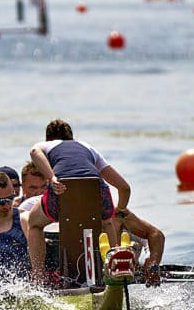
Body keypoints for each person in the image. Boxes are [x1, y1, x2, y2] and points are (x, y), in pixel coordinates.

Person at [27, 119, 131, 281]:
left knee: (34, 222)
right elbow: (124, 188)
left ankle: (38, 277)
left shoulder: (47, 145)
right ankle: (114, 265)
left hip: (61, 187)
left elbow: (34, 152)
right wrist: (120, 211)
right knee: (107, 221)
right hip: (96, 188)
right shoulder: (88, 148)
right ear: (72, 138)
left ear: (48, 139)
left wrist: (52, 177)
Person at [113, 208, 165, 287]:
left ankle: (132, 265)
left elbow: (156, 235)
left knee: (134, 245)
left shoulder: (118, 215)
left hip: (131, 264)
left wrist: (152, 262)